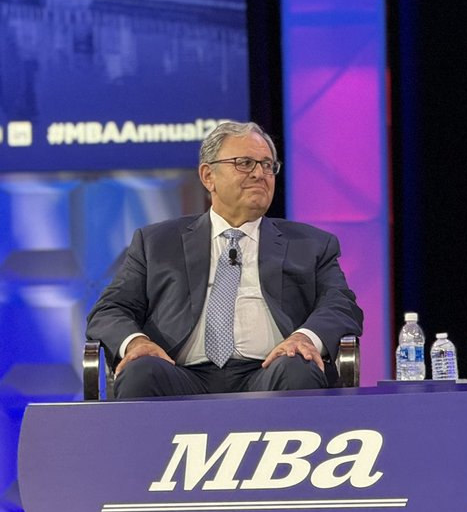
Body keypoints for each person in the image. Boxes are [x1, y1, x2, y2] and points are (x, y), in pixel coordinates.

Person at [86, 121, 364, 398]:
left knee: (297, 369)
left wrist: (305, 338)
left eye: (268, 165)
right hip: (180, 374)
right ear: (208, 176)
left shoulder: (311, 244)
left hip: (272, 371)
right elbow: (109, 310)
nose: (260, 173)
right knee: (141, 372)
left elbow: (341, 306)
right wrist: (136, 343)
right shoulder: (156, 243)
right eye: (245, 163)